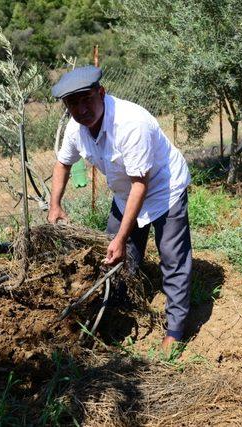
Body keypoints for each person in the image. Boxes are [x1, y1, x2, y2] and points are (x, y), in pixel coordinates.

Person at [47, 65, 192, 350]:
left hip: (164, 189)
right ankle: (121, 312)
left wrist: (122, 238)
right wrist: (55, 205)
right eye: (72, 103)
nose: (81, 108)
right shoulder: (77, 129)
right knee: (113, 258)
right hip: (127, 194)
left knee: (172, 261)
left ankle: (175, 331)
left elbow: (142, 183)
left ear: (101, 93)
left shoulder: (131, 123)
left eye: (86, 98)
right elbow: (63, 163)